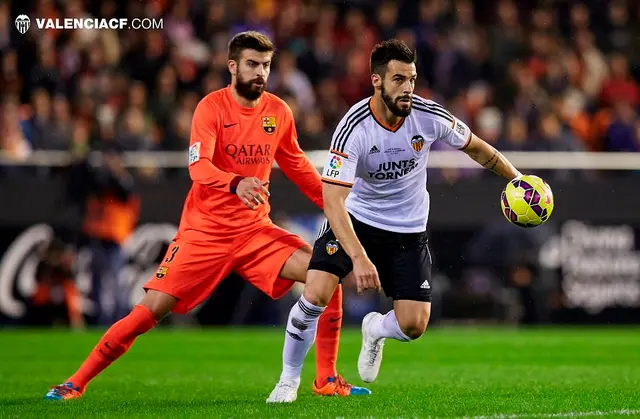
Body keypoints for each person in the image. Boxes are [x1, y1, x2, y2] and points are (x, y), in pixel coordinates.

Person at [45, 31, 370, 400]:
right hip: (204, 233)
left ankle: (325, 379)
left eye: (265, 65)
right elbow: (198, 168)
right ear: (232, 66)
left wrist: (342, 204)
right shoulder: (211, 108)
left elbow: (298, 168)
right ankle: (76, 381)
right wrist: (236, 183)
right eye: (251, 64)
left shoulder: (278, 112)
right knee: (148, 312)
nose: (260, 72)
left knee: (327, 274)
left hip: (254, 232)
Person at [266, 39, 522, 403]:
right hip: (356, 220)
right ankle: (288, 380)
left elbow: (477, 147)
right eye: (399, 79)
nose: (408, 89)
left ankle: (375, 329)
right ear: (377, 81)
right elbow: (334, 202)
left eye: (412, 79)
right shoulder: (354, 127)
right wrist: (358, 257)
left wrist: (516, 178)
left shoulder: (428, 115)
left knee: (414, 325)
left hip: (407, 230)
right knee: (316, 292)